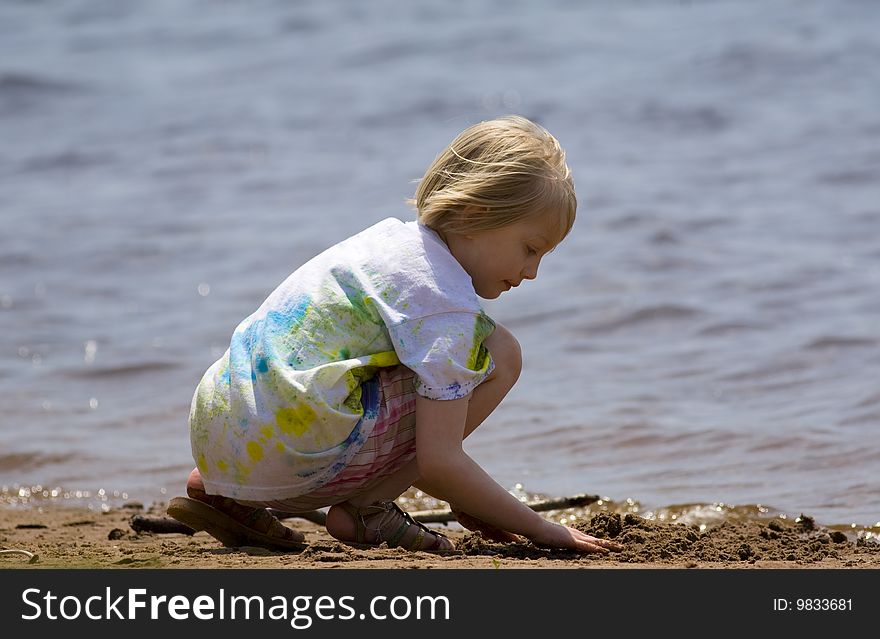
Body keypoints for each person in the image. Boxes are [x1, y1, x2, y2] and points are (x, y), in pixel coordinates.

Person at [168, 115, 623, 555]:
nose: (532, 272)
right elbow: (437, 462)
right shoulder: (445, 304)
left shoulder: (385, 245)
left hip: (219, 434)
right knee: (502, 352)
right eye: (530, 249)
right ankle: (367, 509)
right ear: (473, 215)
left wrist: (468, 494)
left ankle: (218, 489)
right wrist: (538, 527)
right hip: (295, 454)